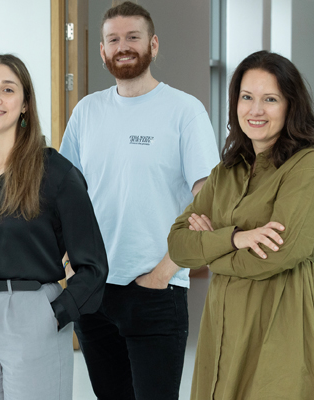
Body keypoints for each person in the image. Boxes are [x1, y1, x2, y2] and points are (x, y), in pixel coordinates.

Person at [58, 2, 220, 399]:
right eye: (113, 39)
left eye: (133, 37)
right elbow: (63, 195)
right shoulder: (86, 112)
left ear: (154, 44)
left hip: (157, 290)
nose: (123, 46)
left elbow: (209, 200)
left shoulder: (184, 111)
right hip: (93, 289)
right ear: (102, 50)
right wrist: (68, 268)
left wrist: (162, 274)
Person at [168, 50, 314, 400]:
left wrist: (213, 246)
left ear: (291, 106)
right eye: (247, 97)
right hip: (223, 322)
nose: (255, 110)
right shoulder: (225, 171)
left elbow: (277, 254)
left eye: (270, 99)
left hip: (284, 317)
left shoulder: (310, 167)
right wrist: (237, 239)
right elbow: (178, 245)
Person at [0, 53, 107, 400]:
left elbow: (92, 266)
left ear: (25, 103)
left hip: (31, 313)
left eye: (8, 89)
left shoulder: (56, 173)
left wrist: (54, 314)